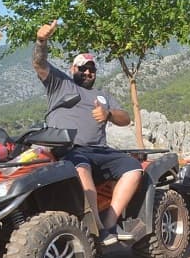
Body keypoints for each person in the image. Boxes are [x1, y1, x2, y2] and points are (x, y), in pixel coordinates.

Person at [33, 19, 141, 246]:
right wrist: (41, 41)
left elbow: (126, 118)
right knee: (81, 167)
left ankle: (109, 223)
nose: (88, 72)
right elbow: (39, 64)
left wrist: (108, 114)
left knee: (133, 168)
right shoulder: (60, 84)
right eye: (83, 68)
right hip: (70, 150)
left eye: (92, 69)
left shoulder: (103, 95)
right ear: (72, 69)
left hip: (100, 151)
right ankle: (97, 229)